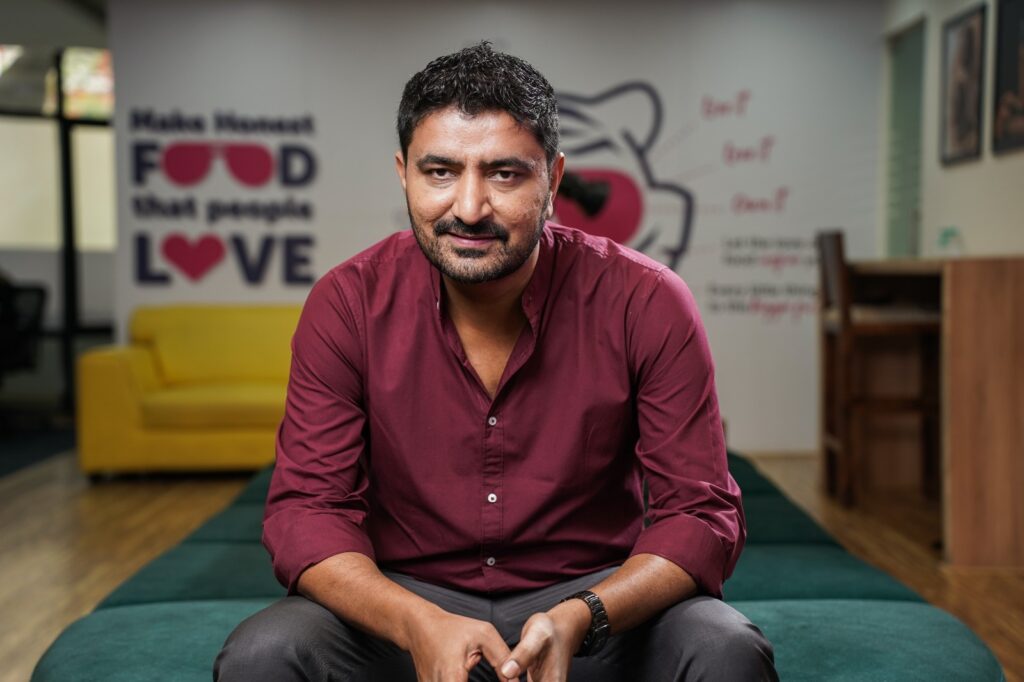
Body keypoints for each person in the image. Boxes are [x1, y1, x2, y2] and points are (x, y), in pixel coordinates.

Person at [215, 42, 777, 682]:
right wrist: (415, 623)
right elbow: (307, 513)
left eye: (505, 174)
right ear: (403, 172)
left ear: (555, 177)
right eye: (440, 172)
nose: (470, 207)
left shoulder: (645, 301)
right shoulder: (346, 304)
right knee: (264, 653)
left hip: (591, 613)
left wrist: (584, 614)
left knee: (723, 645)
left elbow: (699, 515)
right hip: (407, 610)